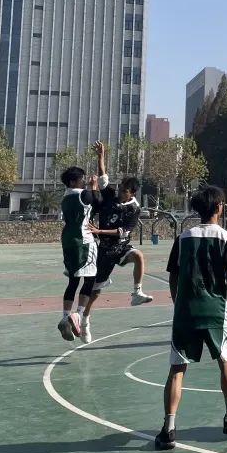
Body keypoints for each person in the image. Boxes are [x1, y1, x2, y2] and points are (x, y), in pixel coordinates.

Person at [155, 186, 227, 450]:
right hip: (216, 311)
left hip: (186, 312)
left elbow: (173, 276)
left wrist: (179, 303)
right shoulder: (226, 237)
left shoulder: (183, 238)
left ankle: (169, 429)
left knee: (177, 370)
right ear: (219, 207)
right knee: (225, 363)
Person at [79, 142, 154, 342]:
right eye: (120, 188)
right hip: (103, 250)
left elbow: (123, 232)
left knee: (138, 255)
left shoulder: (134, 209)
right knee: (95, 291)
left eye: (124, 191)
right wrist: (101, 156)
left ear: (132, 193)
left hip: (120, 247)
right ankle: (85, 320)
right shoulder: (110, 195)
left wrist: (99, 230)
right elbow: (103, 177)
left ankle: (137, 292)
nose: (120, 192)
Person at [58, 166, 102, 342]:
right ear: (72, 181)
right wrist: (94, 186)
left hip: (68, 240)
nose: (84, 181)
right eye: (81, 179)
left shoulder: (65, 196)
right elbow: (97, 201)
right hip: (83, 241)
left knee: (73, 280)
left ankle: (64, 318)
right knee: (90, 279)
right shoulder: (83, 194)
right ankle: (78, 314)